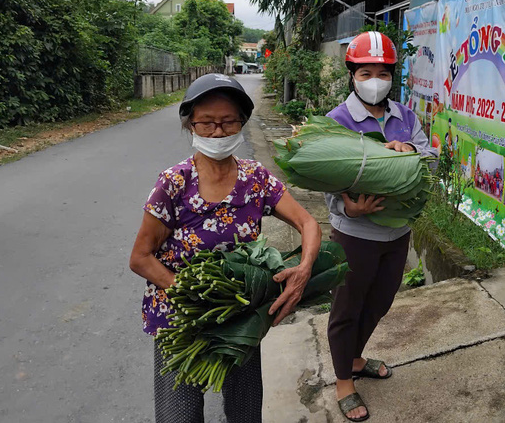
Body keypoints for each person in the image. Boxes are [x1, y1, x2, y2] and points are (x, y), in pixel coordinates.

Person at [129, 74, 321, 423]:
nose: (217, 132)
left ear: (241, 123)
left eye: (228, 122)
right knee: (180, 416)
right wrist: (191, 296)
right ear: (190, 126)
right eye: (206, 123)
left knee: (245, 412)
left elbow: (308, 223)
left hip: (238, 317)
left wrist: (303, 270)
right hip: (180, 319)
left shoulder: (255, 178)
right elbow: (140, 258)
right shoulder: (174, 182)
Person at [324, 31, 438, 421]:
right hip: (355, 235)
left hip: (397, 233)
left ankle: (355, 359)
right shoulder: (337, 122)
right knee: (347, 307)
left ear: (394, 75)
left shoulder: (405, 118)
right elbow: (323, 177)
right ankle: (343, 381)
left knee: (381, 300)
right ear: (351, 75)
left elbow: (432, 163)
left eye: (383, 72)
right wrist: (348, 208)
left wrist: (412, 153)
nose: (375, 79)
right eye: (365, 72)